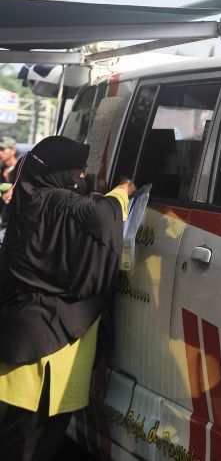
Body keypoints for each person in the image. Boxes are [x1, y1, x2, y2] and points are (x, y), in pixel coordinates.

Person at [0, 136, 135, 460]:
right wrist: (122, 191)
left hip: (20, 342)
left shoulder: (28, 199)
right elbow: (103, 217)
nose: (81, 177)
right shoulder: (56, 203)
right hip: (50, 352)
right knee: (29, 444)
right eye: (77, 169)